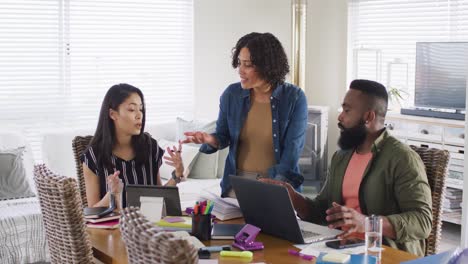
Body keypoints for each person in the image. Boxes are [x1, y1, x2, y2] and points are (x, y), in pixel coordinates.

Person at [261, 79, 432, 256]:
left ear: (368, 117)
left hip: (382, 253)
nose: (340, 116)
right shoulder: (342, 156)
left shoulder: (402, 158)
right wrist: (293, 198)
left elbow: (423, 221)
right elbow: (322, 211)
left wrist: (367, 223)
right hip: (339, 248)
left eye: (347, 110)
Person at [182, 32, 308, 197]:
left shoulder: (294, 97)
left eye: (247, 65)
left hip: (276, 184)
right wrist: (208, 139)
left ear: (267, 66)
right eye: (239, 63)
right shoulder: (231, 95)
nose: (240, 70)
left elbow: (292, 151)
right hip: (237, 185)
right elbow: (223, 135)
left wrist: (276, 189)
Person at [81, 83, 185, 208]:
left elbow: (159, 197)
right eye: (131, 109)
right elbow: (92, 212)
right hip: (115, 226)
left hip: (147, 224)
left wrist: (177, 174)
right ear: (112, 114)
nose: (139, 115)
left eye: (140, 109)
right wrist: (112, 194)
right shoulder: (93, 156)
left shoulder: (150, 147)